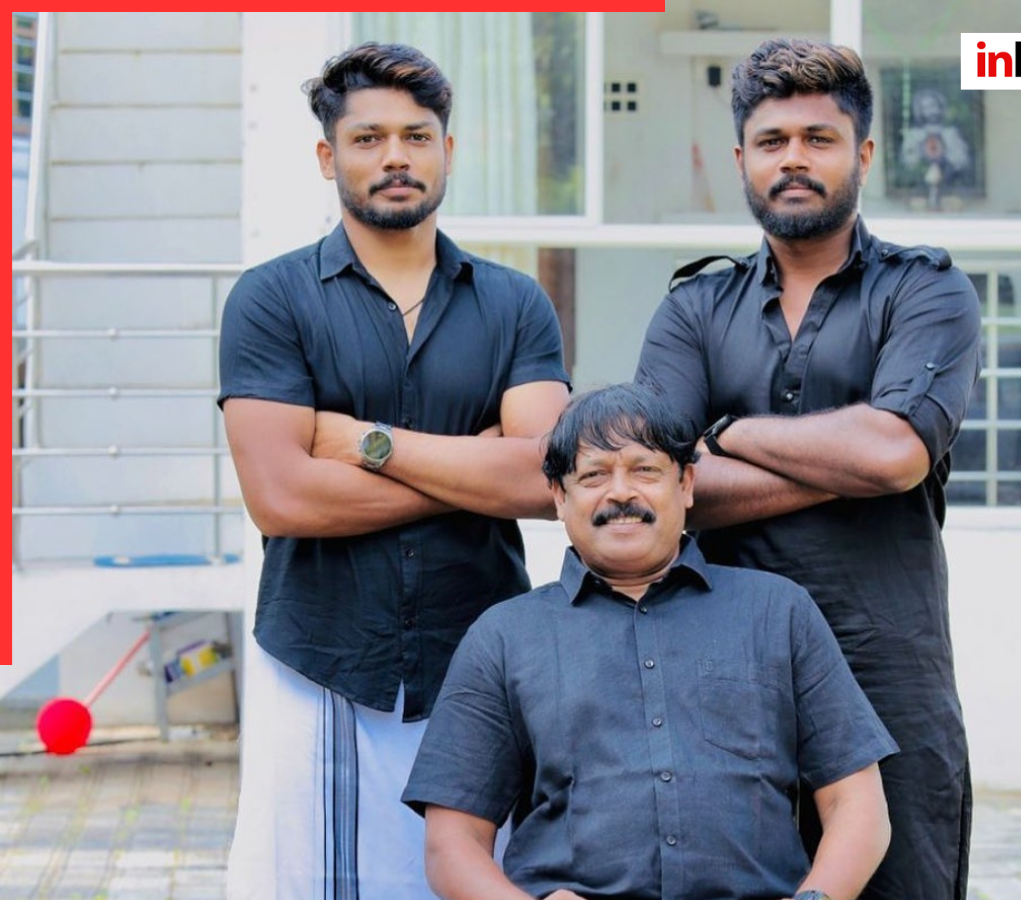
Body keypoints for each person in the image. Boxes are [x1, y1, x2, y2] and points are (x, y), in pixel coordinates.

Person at [218, 42, 570, 900]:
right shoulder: (271, 300)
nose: (395, 157)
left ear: (449, 150)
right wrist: (474, 461)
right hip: (318, 658)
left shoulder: (514, 302)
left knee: (476, 881)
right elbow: (282, 498)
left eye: (417, 136)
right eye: (368, 138)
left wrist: (367, 444)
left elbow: (543, 481)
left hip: (478, 658)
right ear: (327, 155)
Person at [634, 38, 981, 900]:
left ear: (863, 154)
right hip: (720, 669)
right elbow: (656, 486)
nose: (794, 158)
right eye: (773, 140)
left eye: (819, 139)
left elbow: (895, 452)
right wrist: (852, 459)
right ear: (741, 161)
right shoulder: (693, 309)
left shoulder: (925, 292)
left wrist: (727, 434)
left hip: (886, 669)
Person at [402, 383, 898, 900]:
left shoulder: (778, 611)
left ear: (686, 484)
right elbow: (451, 843)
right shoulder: (503, 637)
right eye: (594, 475)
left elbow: (857, 804)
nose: (620, 493)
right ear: (559, 496)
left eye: (645, 470)